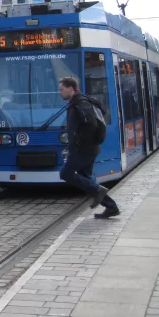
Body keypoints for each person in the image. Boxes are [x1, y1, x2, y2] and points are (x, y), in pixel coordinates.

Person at [59, 76, 119, 219]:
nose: (60, 92)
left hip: (84, 149)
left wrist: (79, 142)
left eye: (61, 89)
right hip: (88, 148)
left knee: (65, 174)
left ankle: (99, 191)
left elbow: (90, 124)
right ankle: (111, 207)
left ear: (70, 88)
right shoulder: (76, 102)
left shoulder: (80, 103)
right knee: (86, 179)